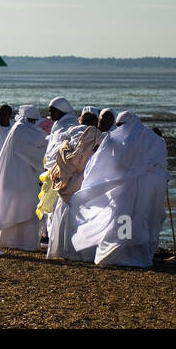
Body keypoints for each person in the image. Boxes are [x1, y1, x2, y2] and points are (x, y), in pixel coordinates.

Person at [70, 111, 169, 267]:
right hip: (143, 189)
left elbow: (99, 164)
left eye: (120, 125)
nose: (119, 129)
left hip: (126, 188)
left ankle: (122, 254)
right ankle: (134, 254)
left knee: (124, 219)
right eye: (118, 126)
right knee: (136, 220)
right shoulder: (151, 139)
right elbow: (161, 162)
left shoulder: (116, 139)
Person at [0, 105, 46, 251]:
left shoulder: (23, 129)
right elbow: (32, 154)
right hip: (19, 177)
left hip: (20, 177)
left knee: (19, 208)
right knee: (18, 209)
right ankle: (19, 243)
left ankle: (20, 242)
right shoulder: (20, 129)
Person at [44, 123, 104, 260]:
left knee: (65, 217)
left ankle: (66, 250)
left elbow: (54, 160)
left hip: (72, 185)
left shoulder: (67, 147)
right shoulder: (93, 144)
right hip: (81, 185)